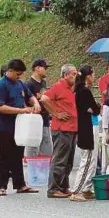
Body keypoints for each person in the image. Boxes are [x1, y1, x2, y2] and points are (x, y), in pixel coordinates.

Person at [0, 59, 41, 196]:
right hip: (4, 127)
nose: (19, 77)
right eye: (18, 74)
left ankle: (20, 184)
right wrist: (21, 110)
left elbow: (30, 96)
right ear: (10, 71)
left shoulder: (19, 84)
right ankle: (1, 186)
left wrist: (35, 103)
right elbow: (0, 107)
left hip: (19, 126)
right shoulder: (0, 85)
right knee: (3, 156)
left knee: (18, 155)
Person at [41, 64, 78, 198]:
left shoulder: (69, 89)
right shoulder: (59, 86)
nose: (75, 76)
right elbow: (44, 99)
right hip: (62, 129)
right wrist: (56, 113)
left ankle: (63, 186)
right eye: (73, 74)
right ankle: (53, 188)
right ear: (66, 75)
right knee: (60, 159)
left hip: (71, 128)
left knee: (68, 160)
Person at [69, 65, 101, 202]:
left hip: (90, 125)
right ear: (88, 76)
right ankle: (77, 190)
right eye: (93, 75)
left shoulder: (81, 91)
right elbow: (95, 108)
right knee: (87, 159)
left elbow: (93, 108)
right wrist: (94, 108)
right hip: (87, 128)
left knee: (92, 159)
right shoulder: (84, 92)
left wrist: (93, 109)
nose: (94, 77)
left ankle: (86, 188)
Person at [24, 59, 53, 157]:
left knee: (46, 145)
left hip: (44, 118)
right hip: (34, 120)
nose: (46, 71)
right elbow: (25, 102)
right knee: (33, 147)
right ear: (37, 68)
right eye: (45, 68)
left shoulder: (43, 83)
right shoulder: (28, 84)